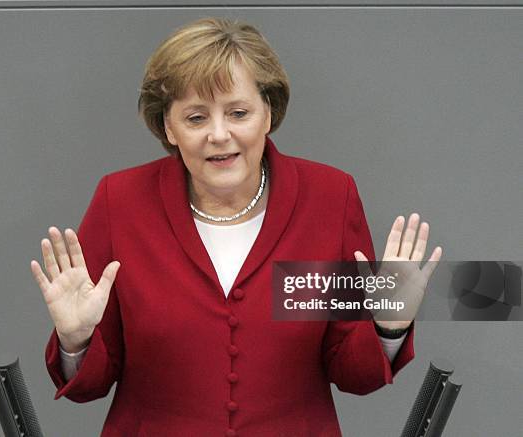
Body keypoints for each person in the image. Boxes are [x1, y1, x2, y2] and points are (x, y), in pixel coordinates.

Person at [30, 17, 442, 437]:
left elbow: (352, 372)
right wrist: (75, 339)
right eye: (195, 118)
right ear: (168, 127)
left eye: (238, 112)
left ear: (268, 113)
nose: (219, 134)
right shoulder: (120, 202)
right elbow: (90, 386)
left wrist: (387, 325)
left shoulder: (330, 198)